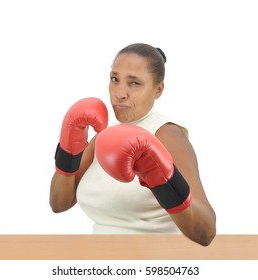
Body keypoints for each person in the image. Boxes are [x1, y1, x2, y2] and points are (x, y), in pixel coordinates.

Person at [50, 43, 216, 246]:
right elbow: (59, 204)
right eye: (114, 79)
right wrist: (69, 148)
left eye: (134, 83)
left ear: (158, 90)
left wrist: (162, 180)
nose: (120, 93)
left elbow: (206, 232)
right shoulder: (104, 137)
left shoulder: (167, 135)